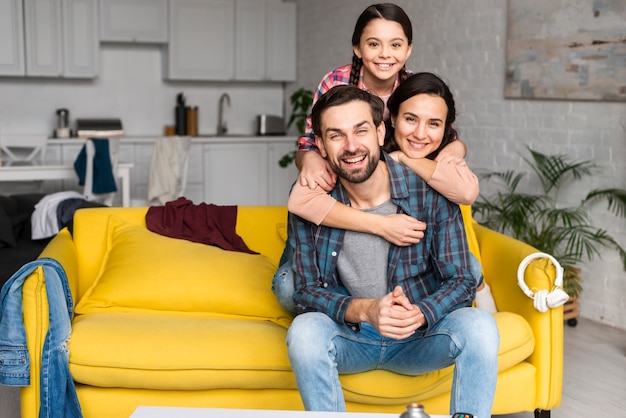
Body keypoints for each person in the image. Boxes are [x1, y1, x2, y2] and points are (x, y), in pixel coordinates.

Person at [285, 84, 499, 417]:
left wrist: (421, 312)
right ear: (322, 147)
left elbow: (460, 278)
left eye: (361, 130)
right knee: (304, 332)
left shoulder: (429, 190)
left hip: (419, 337)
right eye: (336, 135)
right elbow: (305, 290)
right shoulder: (313, 197)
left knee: (480, 326)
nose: (352, 145)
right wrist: (366, 309)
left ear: (381, 130)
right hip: (352, 336)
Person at [275, 72, 497, 314]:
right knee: (289, 286)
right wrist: (381, 225)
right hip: (332, 260)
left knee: (470, 268)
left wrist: (417, 156)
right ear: (390, 122)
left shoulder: (441, 156)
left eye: (433, 124)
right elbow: (298, 201)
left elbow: (467, 192)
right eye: (410, 119)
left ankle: (481, 292)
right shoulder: (358, 154)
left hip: (417, 271)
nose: (420, 134)